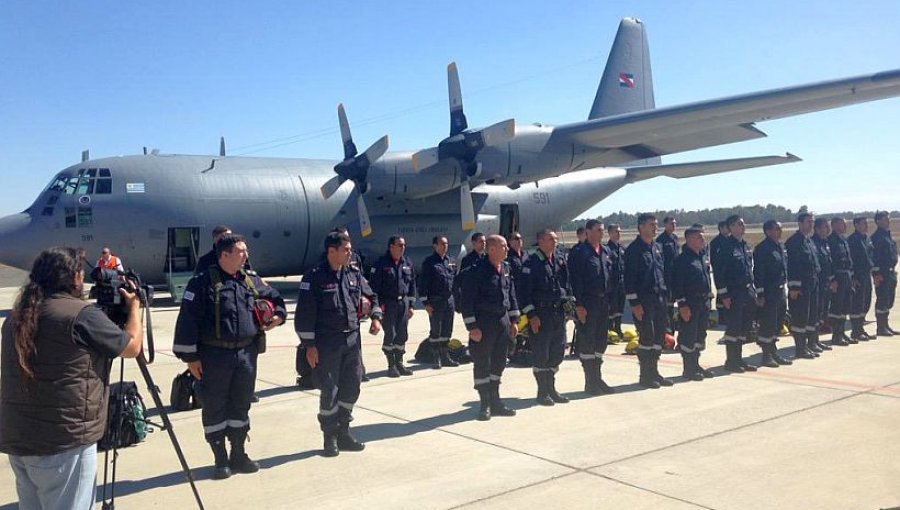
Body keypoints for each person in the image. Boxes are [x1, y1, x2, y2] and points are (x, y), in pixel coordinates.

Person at [1, 247, 143, 509]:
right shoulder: (80, 314)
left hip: (19, 439)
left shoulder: (16, 317)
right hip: (63, 442)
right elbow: (132, 347)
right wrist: (135, 309)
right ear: (74, 277)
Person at [173, 234, 286, 479]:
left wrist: (278, 315)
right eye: (241, 251)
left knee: (241, 403)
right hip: (214, 356)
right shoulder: (201, 283)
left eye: (246, 251)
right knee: (214, 405)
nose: (246, 255)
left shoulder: (250, 280)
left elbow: (276, 298)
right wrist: (190, 357)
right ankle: (220, 457)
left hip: (246, 353)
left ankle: (238, 452)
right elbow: (187, 320)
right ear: (225, 255)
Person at [295, 232, 383, 456]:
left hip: (353, 340)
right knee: (330, 391)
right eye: (345, 249)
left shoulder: (353, 273)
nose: (350, 253)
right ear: (331, 251)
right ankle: (329, 437)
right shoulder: (314, 277)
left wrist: (375, 317)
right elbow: (304, 315)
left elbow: (371, 296)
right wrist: (309, 345)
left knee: (352, 386)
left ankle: (344, 431)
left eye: (350, 249)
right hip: (327, 343)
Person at [459, 235, 520, 421]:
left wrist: (514, 320)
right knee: (482, 362)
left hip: (502, 322)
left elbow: (511, 294)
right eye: (503, 246)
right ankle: (484, 403)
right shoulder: (476, 271)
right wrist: (472, 327)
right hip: (483, 324)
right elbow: (466, 301)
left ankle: (496, 401)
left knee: (499, 361)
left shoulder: (506, 268)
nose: (507, 249)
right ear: (492, 249)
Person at [519, 229, 572, 405]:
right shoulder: (532, 263)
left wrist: (569, 302)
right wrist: (532, 315)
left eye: (556, 239)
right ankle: (542, 392)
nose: (555, 242)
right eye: (551, 239)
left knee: (558, 352)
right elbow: (524, 293)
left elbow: (566, 284)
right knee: (541, 354)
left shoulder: (559, 260)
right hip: (541, 315)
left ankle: (551, 388)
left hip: (558, 314)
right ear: (541, 241)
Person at [625, 213, 675, 388]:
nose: (655, 227)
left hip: (659, 299)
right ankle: (645, 375)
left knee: (658, 338)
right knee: (647, 339)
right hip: (644, 302)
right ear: (641, 227)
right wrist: (634, 304)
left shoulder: (657, 247)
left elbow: (662, 273)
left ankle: (654, 372)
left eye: (655, 224)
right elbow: (629, 280)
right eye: (651, 224)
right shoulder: (633, 250)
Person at [569, 219, 616, 394]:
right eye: (598, 230)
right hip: (587, 303)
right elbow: (575, 281)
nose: (601, 233)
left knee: (600, 342)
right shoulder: (580, 253)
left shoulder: (606, 251)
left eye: (602, 230)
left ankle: (598, 378)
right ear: (588, 232)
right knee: (588, 342)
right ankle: (590, 382)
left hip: (603, 303)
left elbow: (611, 278)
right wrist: (579, 306)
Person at [369, 236, 417, 377]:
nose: (402, 248)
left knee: (402, 335)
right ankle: (391, 365)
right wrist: (377, 308)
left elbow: (412, 284)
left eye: (404, 245)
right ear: (391, 247)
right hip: (388, 304)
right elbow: (374, 290)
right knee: (390, 334)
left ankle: (399, 363)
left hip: (403, 304)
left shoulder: (407, 262)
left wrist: (412, 305)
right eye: (399, 245)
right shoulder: (380, 264)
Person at [671, 227, 715, 380]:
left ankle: (696, 364)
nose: (703, 241)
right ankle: (688, 369)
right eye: (699, 238)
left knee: (699, 336)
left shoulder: (701, 257)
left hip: (703, 303)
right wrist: (682, 305)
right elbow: (677, 284)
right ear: (689, 240)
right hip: (690, 304)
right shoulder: (682, 260)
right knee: (688, 336)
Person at [717, 215, 759, 373]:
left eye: (743, 223)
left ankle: (739, 360)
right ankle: (731, 361)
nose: (743, 226)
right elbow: (720, 274)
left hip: (747, 291)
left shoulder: (745, 246)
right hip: (734, 293)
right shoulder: (726, 247)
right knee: (734, 328)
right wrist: (724, 296)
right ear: (731, 227)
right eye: (739, 224)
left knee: (744, 328)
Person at [752, 220, 792, 367]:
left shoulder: (779, 247)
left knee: (778, 322)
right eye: (777, 229)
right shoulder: (762, 249)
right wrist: (761, 294)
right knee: (767, 324)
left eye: (780, 229)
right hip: (769, 292)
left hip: (780, 290)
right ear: (768, 231)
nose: (780, 231)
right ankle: (766, 355)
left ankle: (774, 352)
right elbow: (759, 272)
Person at [785, 213, 823, 359]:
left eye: (812, 222)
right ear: (799, 224)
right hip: (800, 287)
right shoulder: (794, 242)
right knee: (800, 318)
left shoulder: (809, 241)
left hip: (812, 283)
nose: (811, 225)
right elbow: (792, 266)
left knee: (811, 316)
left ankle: (810, 344)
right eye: (808, 222)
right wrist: (794, 287)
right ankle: (800, 349)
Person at [420, 236, 459, 369]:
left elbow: (455, 281)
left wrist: (457, 300)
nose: (445, 246)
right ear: (435, 246)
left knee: (447, 330)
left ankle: (445, 356)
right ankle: (435, 357)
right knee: (436, 330)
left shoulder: (451, 261)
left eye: (446, 244)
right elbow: (423, 283)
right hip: (436, 301)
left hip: (449, 301)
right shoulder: (429, 262)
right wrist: (426, 303)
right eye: (442, 244)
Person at [827, 217, 855, 346]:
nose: (845, 225)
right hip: (838, 276)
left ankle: (842, 332)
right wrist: (833, 279)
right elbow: (830, 262)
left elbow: (849, 259)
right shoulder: (831, 241)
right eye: (842, 224)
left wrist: (852, 277)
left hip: (847, 276)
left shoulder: (844, 240)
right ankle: (836, 335)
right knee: (837, 307)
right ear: (834, 225)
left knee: (845, 306)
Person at [848, 217, 876, 340]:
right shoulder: (853, 240)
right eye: (864, 223)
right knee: (857, 304)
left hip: (866, 275)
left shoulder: (866, 239)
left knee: (866, 302)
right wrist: (853, 276)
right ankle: (856, 331)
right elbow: (851, 260)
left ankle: (860, 328)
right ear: (856, 225)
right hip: (857, 276)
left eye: (867, 223)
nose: (866, 225)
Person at [871, 211, 898, 336]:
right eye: (885, 219)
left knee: (889, 300)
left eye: (889, 219)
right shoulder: (877, 238)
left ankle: (886, 325)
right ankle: (880, 327)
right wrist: (876, 274)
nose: (888, 221)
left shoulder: (887, 235)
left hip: (891, 273)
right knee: (882, 299)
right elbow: (874, 257)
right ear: (878, 221)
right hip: (882, 273)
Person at [812, 218, 837, 343]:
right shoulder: (813, 243)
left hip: (827, 282)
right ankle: (813, 340)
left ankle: (816, 340)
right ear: (816, 229)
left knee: (823, 311)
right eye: (824, 227)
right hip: (819, 283)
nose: (827, 229)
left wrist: (832, 279)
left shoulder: (825, 243)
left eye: (827, 227)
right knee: (816, 312)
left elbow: (829, 263)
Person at [656, 216, 680, 333]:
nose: (673, 225)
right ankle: (668, 329)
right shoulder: (661, 240)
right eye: (671, 223)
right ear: (665, 225)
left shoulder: (675, 238)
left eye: (674, 223)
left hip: (676, 276)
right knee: (668, 306)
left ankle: (673, 326)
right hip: (667, 276)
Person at [709, 221, 731, 327]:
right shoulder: (716, 242)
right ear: (721, 228)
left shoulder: (731, 241)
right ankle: (721, 317)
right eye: (727, 227)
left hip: (730, 275)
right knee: (721, 295)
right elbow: (715, 260)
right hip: (721, 273)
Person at [607, 223, 626, 337]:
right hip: (611, 283)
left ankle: (618, 328)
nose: (618, 234)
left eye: (619, 232)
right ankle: (610, 329)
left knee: (620, 307)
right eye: (616, 231)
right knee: (611, 308)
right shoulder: (607, 249)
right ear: (609, 233)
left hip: (621, 282)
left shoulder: (621, 248)